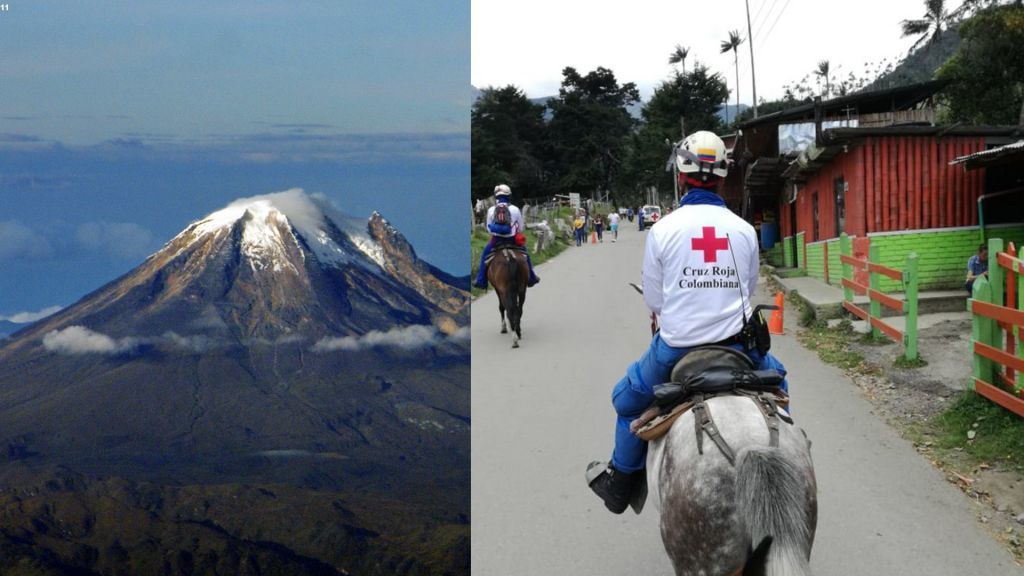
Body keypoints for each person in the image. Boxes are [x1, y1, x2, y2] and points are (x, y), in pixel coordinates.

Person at [586, 131, 790, 514]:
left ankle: (619, 483)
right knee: (780, 385)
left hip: (676, 347)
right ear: (724, 177)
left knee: (626, 402)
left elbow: (655, 301)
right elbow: (746, 291)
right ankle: (788, 443)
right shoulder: (744, 230)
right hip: (738, 346)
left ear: (681, 176)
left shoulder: (663, 229)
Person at [473, 184, 540, 289]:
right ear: (509, 195)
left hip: (496, 240)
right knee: (526, 255)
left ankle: (481, 280)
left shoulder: (491, 210)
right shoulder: (515, 209)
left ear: (496, 196)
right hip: (513, 240)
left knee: (485, 254)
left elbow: (488, 228)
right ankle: (532, 278)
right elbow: (521, 228)